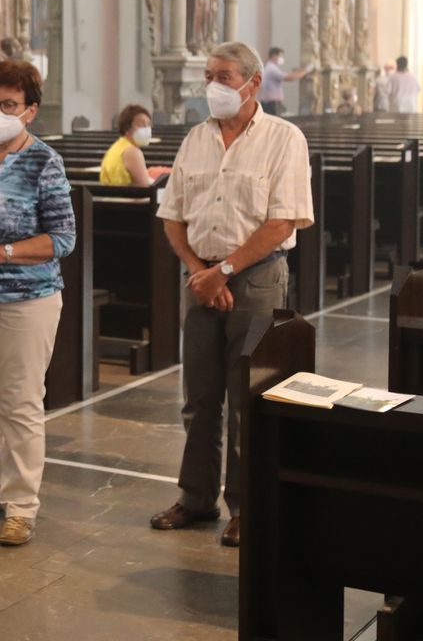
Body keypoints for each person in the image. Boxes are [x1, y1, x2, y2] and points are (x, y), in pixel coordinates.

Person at [150, 41, 313, 549]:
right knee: (199, 398)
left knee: (248, 398)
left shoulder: (284, 139)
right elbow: (173, 215)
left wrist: (224, 270)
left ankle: (245, 505)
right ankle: (196, 497)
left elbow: (283, 219)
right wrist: (201, 271)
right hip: (201, 281)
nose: (213, 86)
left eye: (223, 76)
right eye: (208, 76)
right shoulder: (195, 139)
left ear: (252, 82)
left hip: (257, 279)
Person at [0, 60, 75, 547]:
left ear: (29, 111)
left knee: (19, 403)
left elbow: (62, 238)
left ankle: (21, 505)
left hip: (29, 297)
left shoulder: (43, 162)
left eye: (8, 105)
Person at [98, 104, 172, 186]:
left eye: (148, 124)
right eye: (141, 125)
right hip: (126, 197)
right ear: (127, 128)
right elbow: (144, 187)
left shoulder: (118, 146)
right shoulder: (132, 151)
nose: (147, 129)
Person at [258, 47, 311, 116]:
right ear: (274, 55)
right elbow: (289, 77)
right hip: (271, 104)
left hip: (273, 103)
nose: (282, 58)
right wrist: (306, 71)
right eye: (281, 56)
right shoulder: (271, 68)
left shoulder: (270, 67)